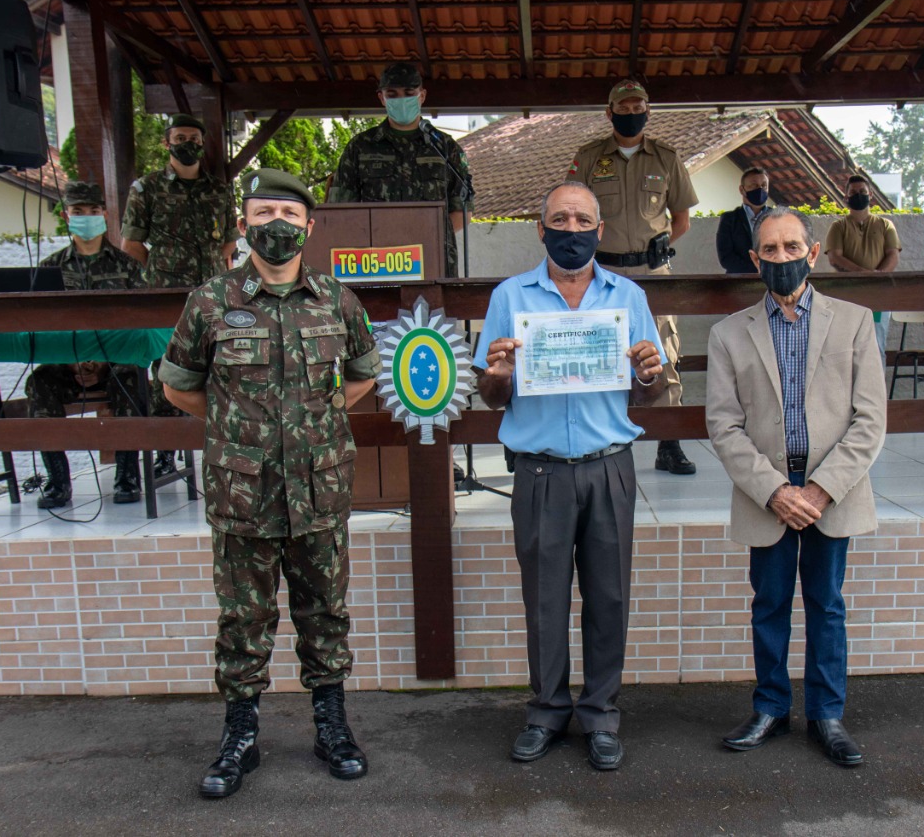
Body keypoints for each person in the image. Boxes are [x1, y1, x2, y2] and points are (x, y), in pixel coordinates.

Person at [159, 170, 380, 798]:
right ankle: (239, 737)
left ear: (310, 226)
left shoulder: (337, 300)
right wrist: (238, 426)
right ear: (243, 223)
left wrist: (312, 420)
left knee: (326, 614)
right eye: (263, 212)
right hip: (244, 494)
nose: (276, 223)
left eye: (288, 211)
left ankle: (332, 727)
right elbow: (178, 384)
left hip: (318, 491)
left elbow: (362, 375)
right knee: (243, 619)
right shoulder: (210, 300)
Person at [474, 181, 666, 772]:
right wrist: (501, 372)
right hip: (541, 473)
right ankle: (546, 711)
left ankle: (601, 715)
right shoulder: (511, 296)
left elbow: (651, 393)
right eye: (560, 218)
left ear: (600, 230)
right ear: (541, 228)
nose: (572, 227)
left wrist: (650, 372)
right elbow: (489, 393)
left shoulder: (628, 296)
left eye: (583, 218)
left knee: (608, 596)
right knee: (544, 600)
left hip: (609, 468)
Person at [706, 206, 885, 768]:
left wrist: (821, 490)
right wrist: (775, 491)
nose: (781, 258)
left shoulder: (855, 321)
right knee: (770, 603)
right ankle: (771, 707)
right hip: (769, 495)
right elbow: (723, 425)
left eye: (791, 248)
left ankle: (828, 715)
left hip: (833, 490)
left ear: (812, 253)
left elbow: (870, 419)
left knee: (827, 605)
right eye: (770, 250)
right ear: (755, 259)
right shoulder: (728, 333)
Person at [565, 78, 700, 475]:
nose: (630, 114)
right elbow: (573, 209)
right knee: (594, 351)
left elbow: (682, 220)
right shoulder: (589, 157)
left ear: (647, 110)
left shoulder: (666, 158)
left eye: (637, 107)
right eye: (622, 109)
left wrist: (657, 245)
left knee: (664, 354)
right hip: (601, 269)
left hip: (653, 270)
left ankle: (668, 443)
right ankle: (594, 436)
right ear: (609, 113)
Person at [122, 112, 240, 478]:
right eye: (180, 138)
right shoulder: (147, 188)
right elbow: (131, 244)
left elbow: (229, 245)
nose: (187, 144)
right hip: (167, 295)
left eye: (193, 138)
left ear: (202, 144)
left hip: (212, 293)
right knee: (167, 371)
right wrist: (162, 268)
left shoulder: (219, 190)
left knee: (222, 368)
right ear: (167, 143)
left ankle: (226, 447)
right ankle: (166, 452)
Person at [26, 181, 146, 509]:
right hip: (66, 362)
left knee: (131, 376)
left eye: (93, 211)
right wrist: (70, 360)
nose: (87, 217)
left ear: (104, 215)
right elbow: (42, 325)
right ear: (67, 216)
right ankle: (58, 481)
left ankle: (127, 474)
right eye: (79, 212)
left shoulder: (127, 266)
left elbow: (138, 324)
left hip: (115, 362)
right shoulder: (49, 269)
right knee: (39, 382)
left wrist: (104, 360)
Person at [328, 61, 470, 280]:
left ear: (422, 96)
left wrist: (424, 238)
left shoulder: (445, 147)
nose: (401, 100)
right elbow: (340, 212)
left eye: (409, 93)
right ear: (382, 98)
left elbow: (463, 211)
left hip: (433, 263)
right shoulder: (360, 147)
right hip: (375, 263)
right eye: (392, 94)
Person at [825, 175, 901, 369]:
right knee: (846, 348)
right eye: (853, 193)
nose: (858, 196)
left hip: (879, 295)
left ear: (871, 195)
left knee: (877, 345)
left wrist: (878, 275)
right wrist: (862, 273)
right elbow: (835, 257)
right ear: (845, 197)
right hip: (847, 295)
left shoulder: (885, 225)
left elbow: (893, 254)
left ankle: (877, 396)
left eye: (862, 192)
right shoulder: (838, 226)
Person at [715, 166, 769, 274]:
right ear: (742, 189)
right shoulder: (730, 219)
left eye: (764, 185)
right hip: (738, 283)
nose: (760, 189)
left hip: (774, 282)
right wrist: (758, 270)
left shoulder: (778, 217)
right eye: (753, 185)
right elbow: (726, 258)